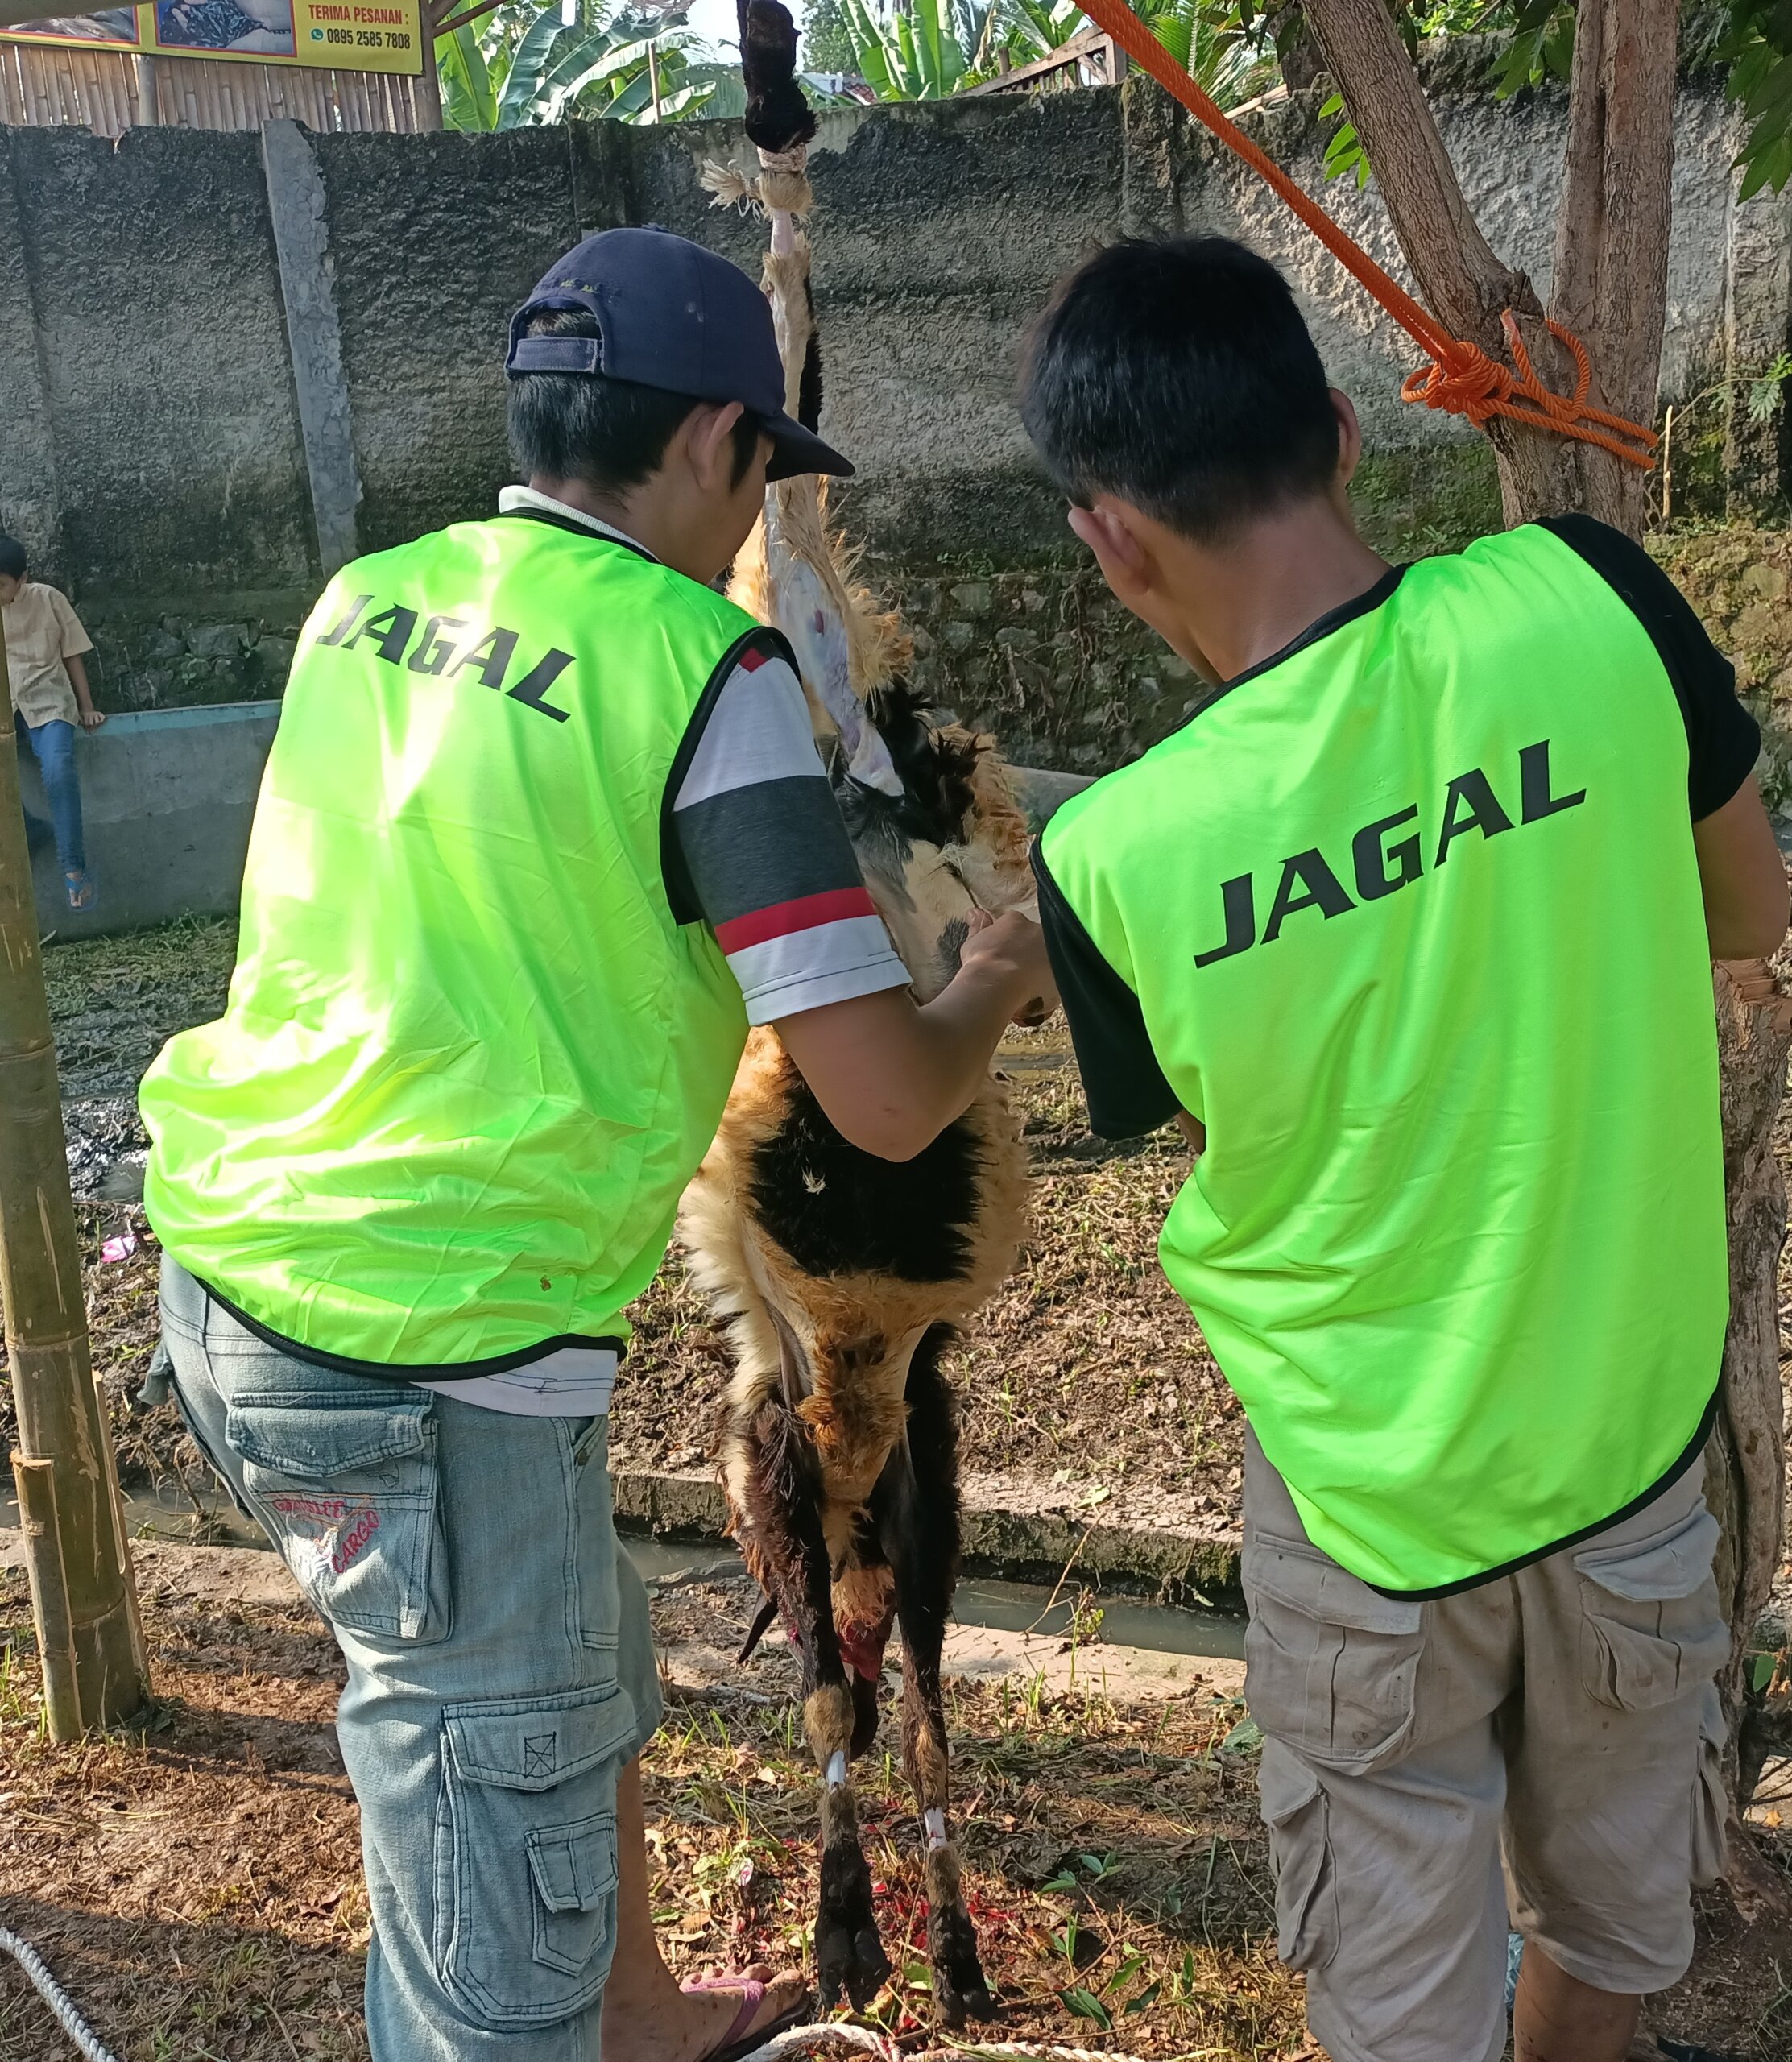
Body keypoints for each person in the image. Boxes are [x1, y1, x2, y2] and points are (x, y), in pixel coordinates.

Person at [139, 227, 1051, 2062]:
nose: (757, 522)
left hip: (239, 1265)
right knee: (495, 1846)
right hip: (427, 1352)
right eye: (762, 474)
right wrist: (993, 973)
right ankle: (561, 2016)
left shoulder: (368, 597)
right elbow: (878, 1091)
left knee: (556, 1683)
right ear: (716, 436)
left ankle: (629, 2004)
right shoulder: (698, 681)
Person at [1020, 237, 1791, 2062]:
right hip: (1622, 1448)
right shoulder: (1583, 599)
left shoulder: (1111, 854)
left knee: (1389, 1996)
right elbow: (1744, 905)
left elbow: (1234, 1118)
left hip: (1359, 1502)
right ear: (1346, 435)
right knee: (1614, 1911)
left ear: (1107, 539)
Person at [2, 533, 103, 911]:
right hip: (6, 708)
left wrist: (86, 707)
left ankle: (75, 871)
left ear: (22, 578)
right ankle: (31, 830)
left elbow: (73, 654)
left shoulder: (48, 599)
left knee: (59, 770)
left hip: (50, 704)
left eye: (1, 584)